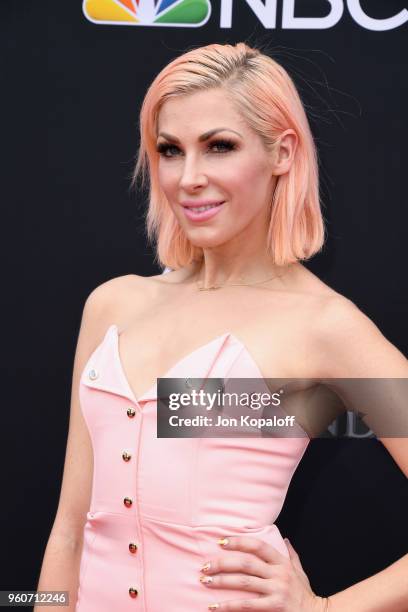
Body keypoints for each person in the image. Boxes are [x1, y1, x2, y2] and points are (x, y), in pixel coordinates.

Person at [36, 42, 408, 611]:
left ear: (282, 153)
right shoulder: (113, 305)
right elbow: (70, 526)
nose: (189, 178)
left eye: (219, 147)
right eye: (169, 150)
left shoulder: (324, 326)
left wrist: (324, 609)